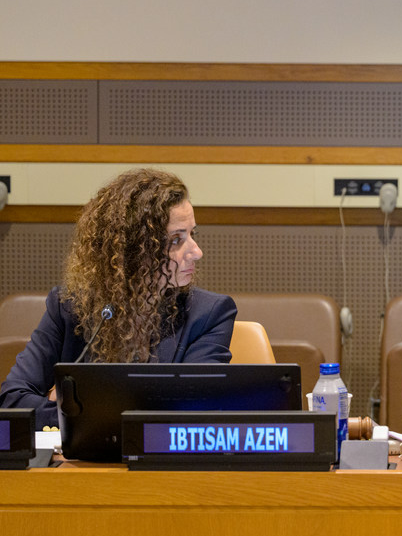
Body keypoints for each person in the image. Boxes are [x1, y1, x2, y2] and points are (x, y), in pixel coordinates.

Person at [0, 168, 237, 429]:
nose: (197, 252)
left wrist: (74, 410)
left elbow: (191, 412)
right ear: (134, 249)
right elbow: (13, 400)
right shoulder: (69, 306)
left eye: (193, 234)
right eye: (176, 240)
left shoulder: (209, 314)